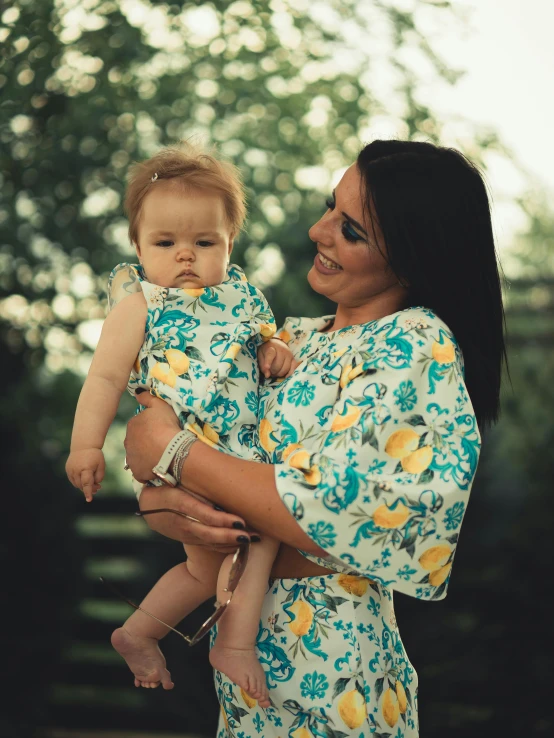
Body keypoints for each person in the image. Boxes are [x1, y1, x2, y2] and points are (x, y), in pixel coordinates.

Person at [122, 139, 507, 737]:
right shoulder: (292, 339)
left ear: (411, 259)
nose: (316, 229)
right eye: (331, 206)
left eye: (349, 229)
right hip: (249, 679)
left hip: (332, 669)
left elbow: (327, 509)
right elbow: (226, 465)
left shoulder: (412, 343)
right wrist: (164, 503)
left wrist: (175, 453)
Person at [65, 143, 300, 707]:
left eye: (204, 242)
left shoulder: (242, 295)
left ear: (230, 244)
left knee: (202, 569)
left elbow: (268, 344)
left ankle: (139, 631)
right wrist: (85, 447)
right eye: (165, 243)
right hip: (187, 455)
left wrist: (275, 351)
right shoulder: (141, 302)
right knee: (259, 536)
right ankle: (234, 643)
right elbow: (102, 379)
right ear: (138, 246)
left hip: (235, 456)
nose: (186, 257)